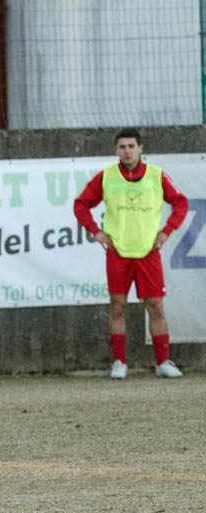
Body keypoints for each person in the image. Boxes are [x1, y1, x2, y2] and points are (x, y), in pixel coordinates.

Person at [73, 127, 189, 380]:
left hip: (148, 252)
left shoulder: (157, 175)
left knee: (156, 306)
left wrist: (166, 231)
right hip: (118, 252)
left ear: (140, 149)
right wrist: (96, 232)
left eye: (131, 146)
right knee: (118, 305)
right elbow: (80, 204)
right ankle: (119, 362)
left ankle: (163, 362)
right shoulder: (106, 177)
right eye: (122, 147)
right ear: (116, 150)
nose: (127, 151)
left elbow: (181, 202)